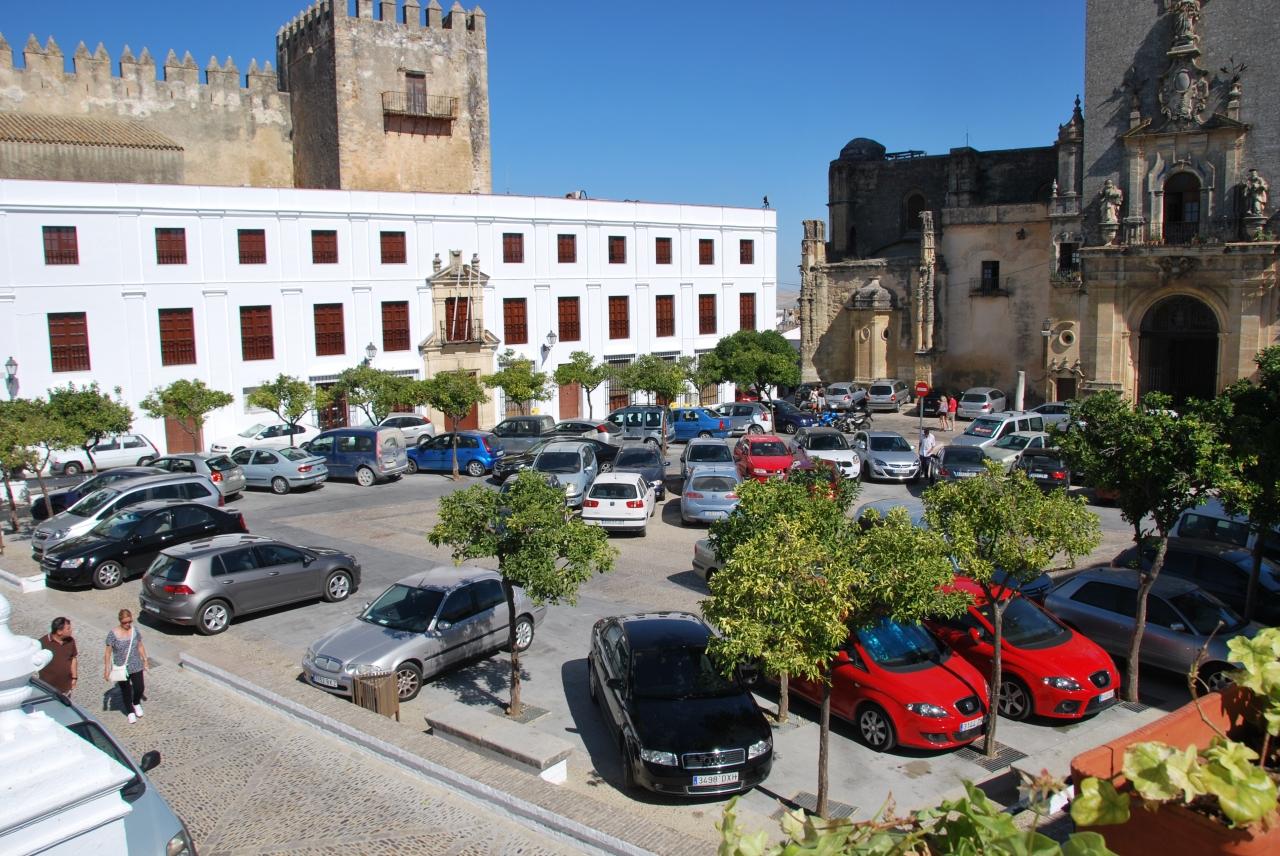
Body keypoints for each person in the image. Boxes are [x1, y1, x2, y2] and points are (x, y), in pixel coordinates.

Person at [104, 608, 149, 724]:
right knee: (126, 690)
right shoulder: (113, 634)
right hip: (121, 667)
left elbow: (140, 646)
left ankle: (136, 702)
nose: (127, 624)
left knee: (139, 688)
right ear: (120, 621)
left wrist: (145, 659)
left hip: (135, 664)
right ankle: (130, 711)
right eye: (125, 622)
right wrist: (107, 669)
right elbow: (108, 653)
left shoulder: (135, 631)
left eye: (129, 621)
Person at [38, 616, 78, 695]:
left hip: (66, 688)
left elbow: (73, 658)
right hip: (47, 689)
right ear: (59, 632)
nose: (71, 630)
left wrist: (74, 677)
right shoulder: (42, 643)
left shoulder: (70, 641)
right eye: (68, 629)